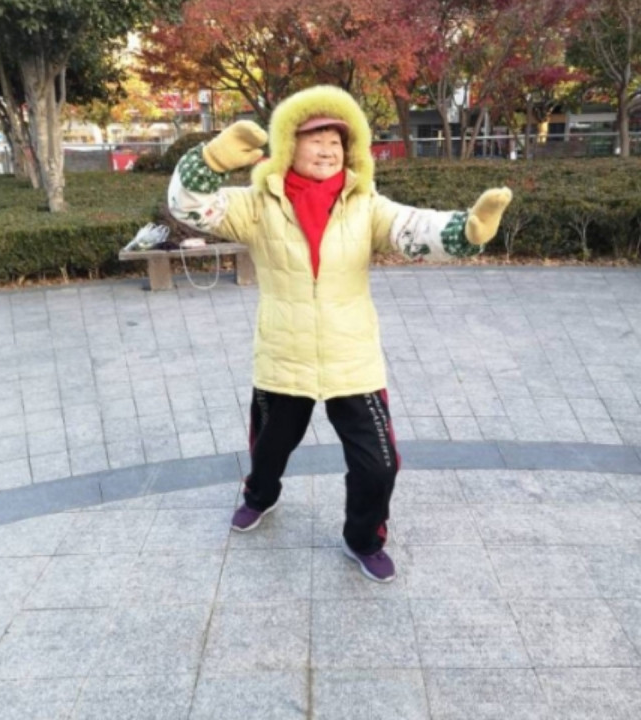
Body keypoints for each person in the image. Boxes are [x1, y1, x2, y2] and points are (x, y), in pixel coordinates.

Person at [168, 85, 512, 582]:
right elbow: (189, 207)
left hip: (352, 360)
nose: (327, 149)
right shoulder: (257, 205)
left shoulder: (364, 203)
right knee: (268, 452)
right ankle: (260, 496)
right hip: (284, 358)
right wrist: (211, 160)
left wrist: (467, 230)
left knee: (380, 465)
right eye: (315, 139)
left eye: (336, 141)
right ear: (289, 144)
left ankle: (363, 539)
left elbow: (412, 228)